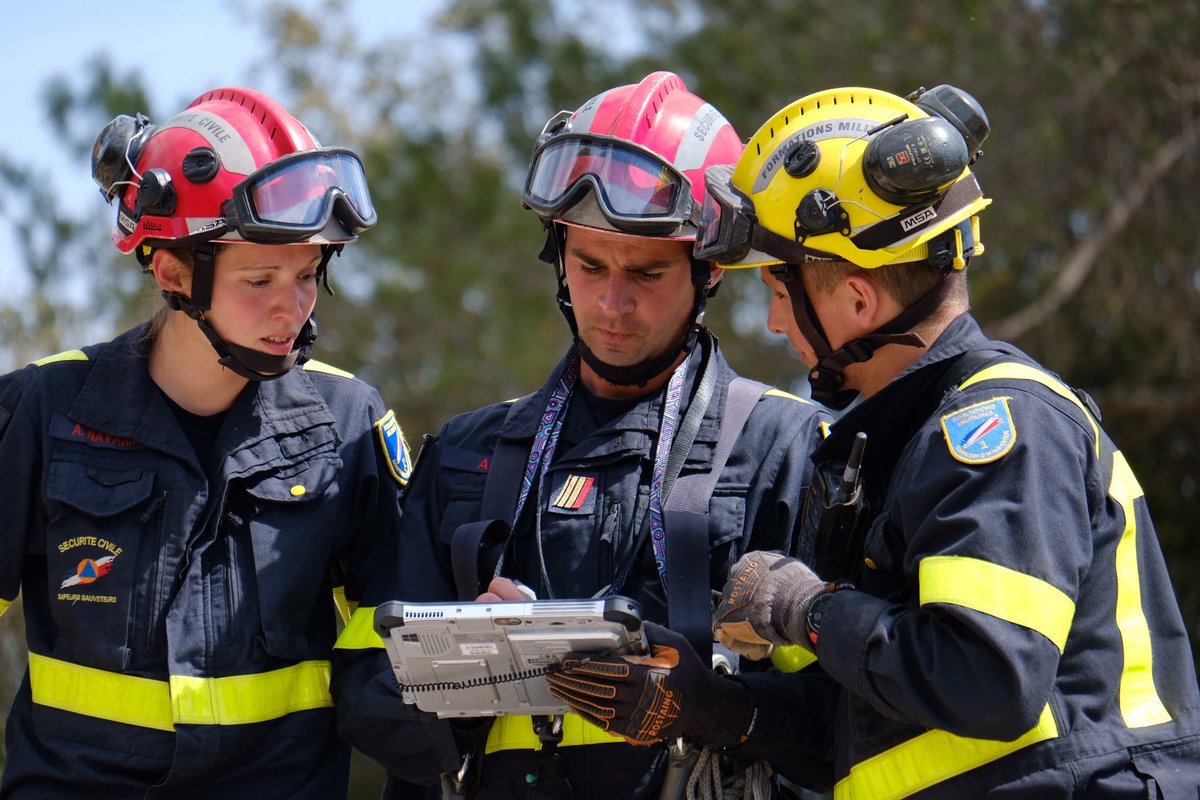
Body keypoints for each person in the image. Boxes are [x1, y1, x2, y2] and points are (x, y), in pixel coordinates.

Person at [685, 83, 1200, 796]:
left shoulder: (1000, 428)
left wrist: (808, 610)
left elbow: (986, 678)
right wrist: (705, 703)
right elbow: (860, 721)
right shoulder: (891, 448)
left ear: (856, 299)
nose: (776, 324)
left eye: (779, 292)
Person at [331, 71, 832, 799]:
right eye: (589, 265)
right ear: (557, 252)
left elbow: (850, 724)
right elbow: (362, 692)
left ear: (710, 270)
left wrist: (727, 710)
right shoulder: (464, 456)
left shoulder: (788, 452)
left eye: (648, 272)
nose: (613, 303)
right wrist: (460, 677)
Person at [0, 87, 410, 799]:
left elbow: (402, 628)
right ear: (172, 271)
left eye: (308, 275)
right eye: (260, 279)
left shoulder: (348, 424)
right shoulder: (42, 410)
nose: (293, 307)